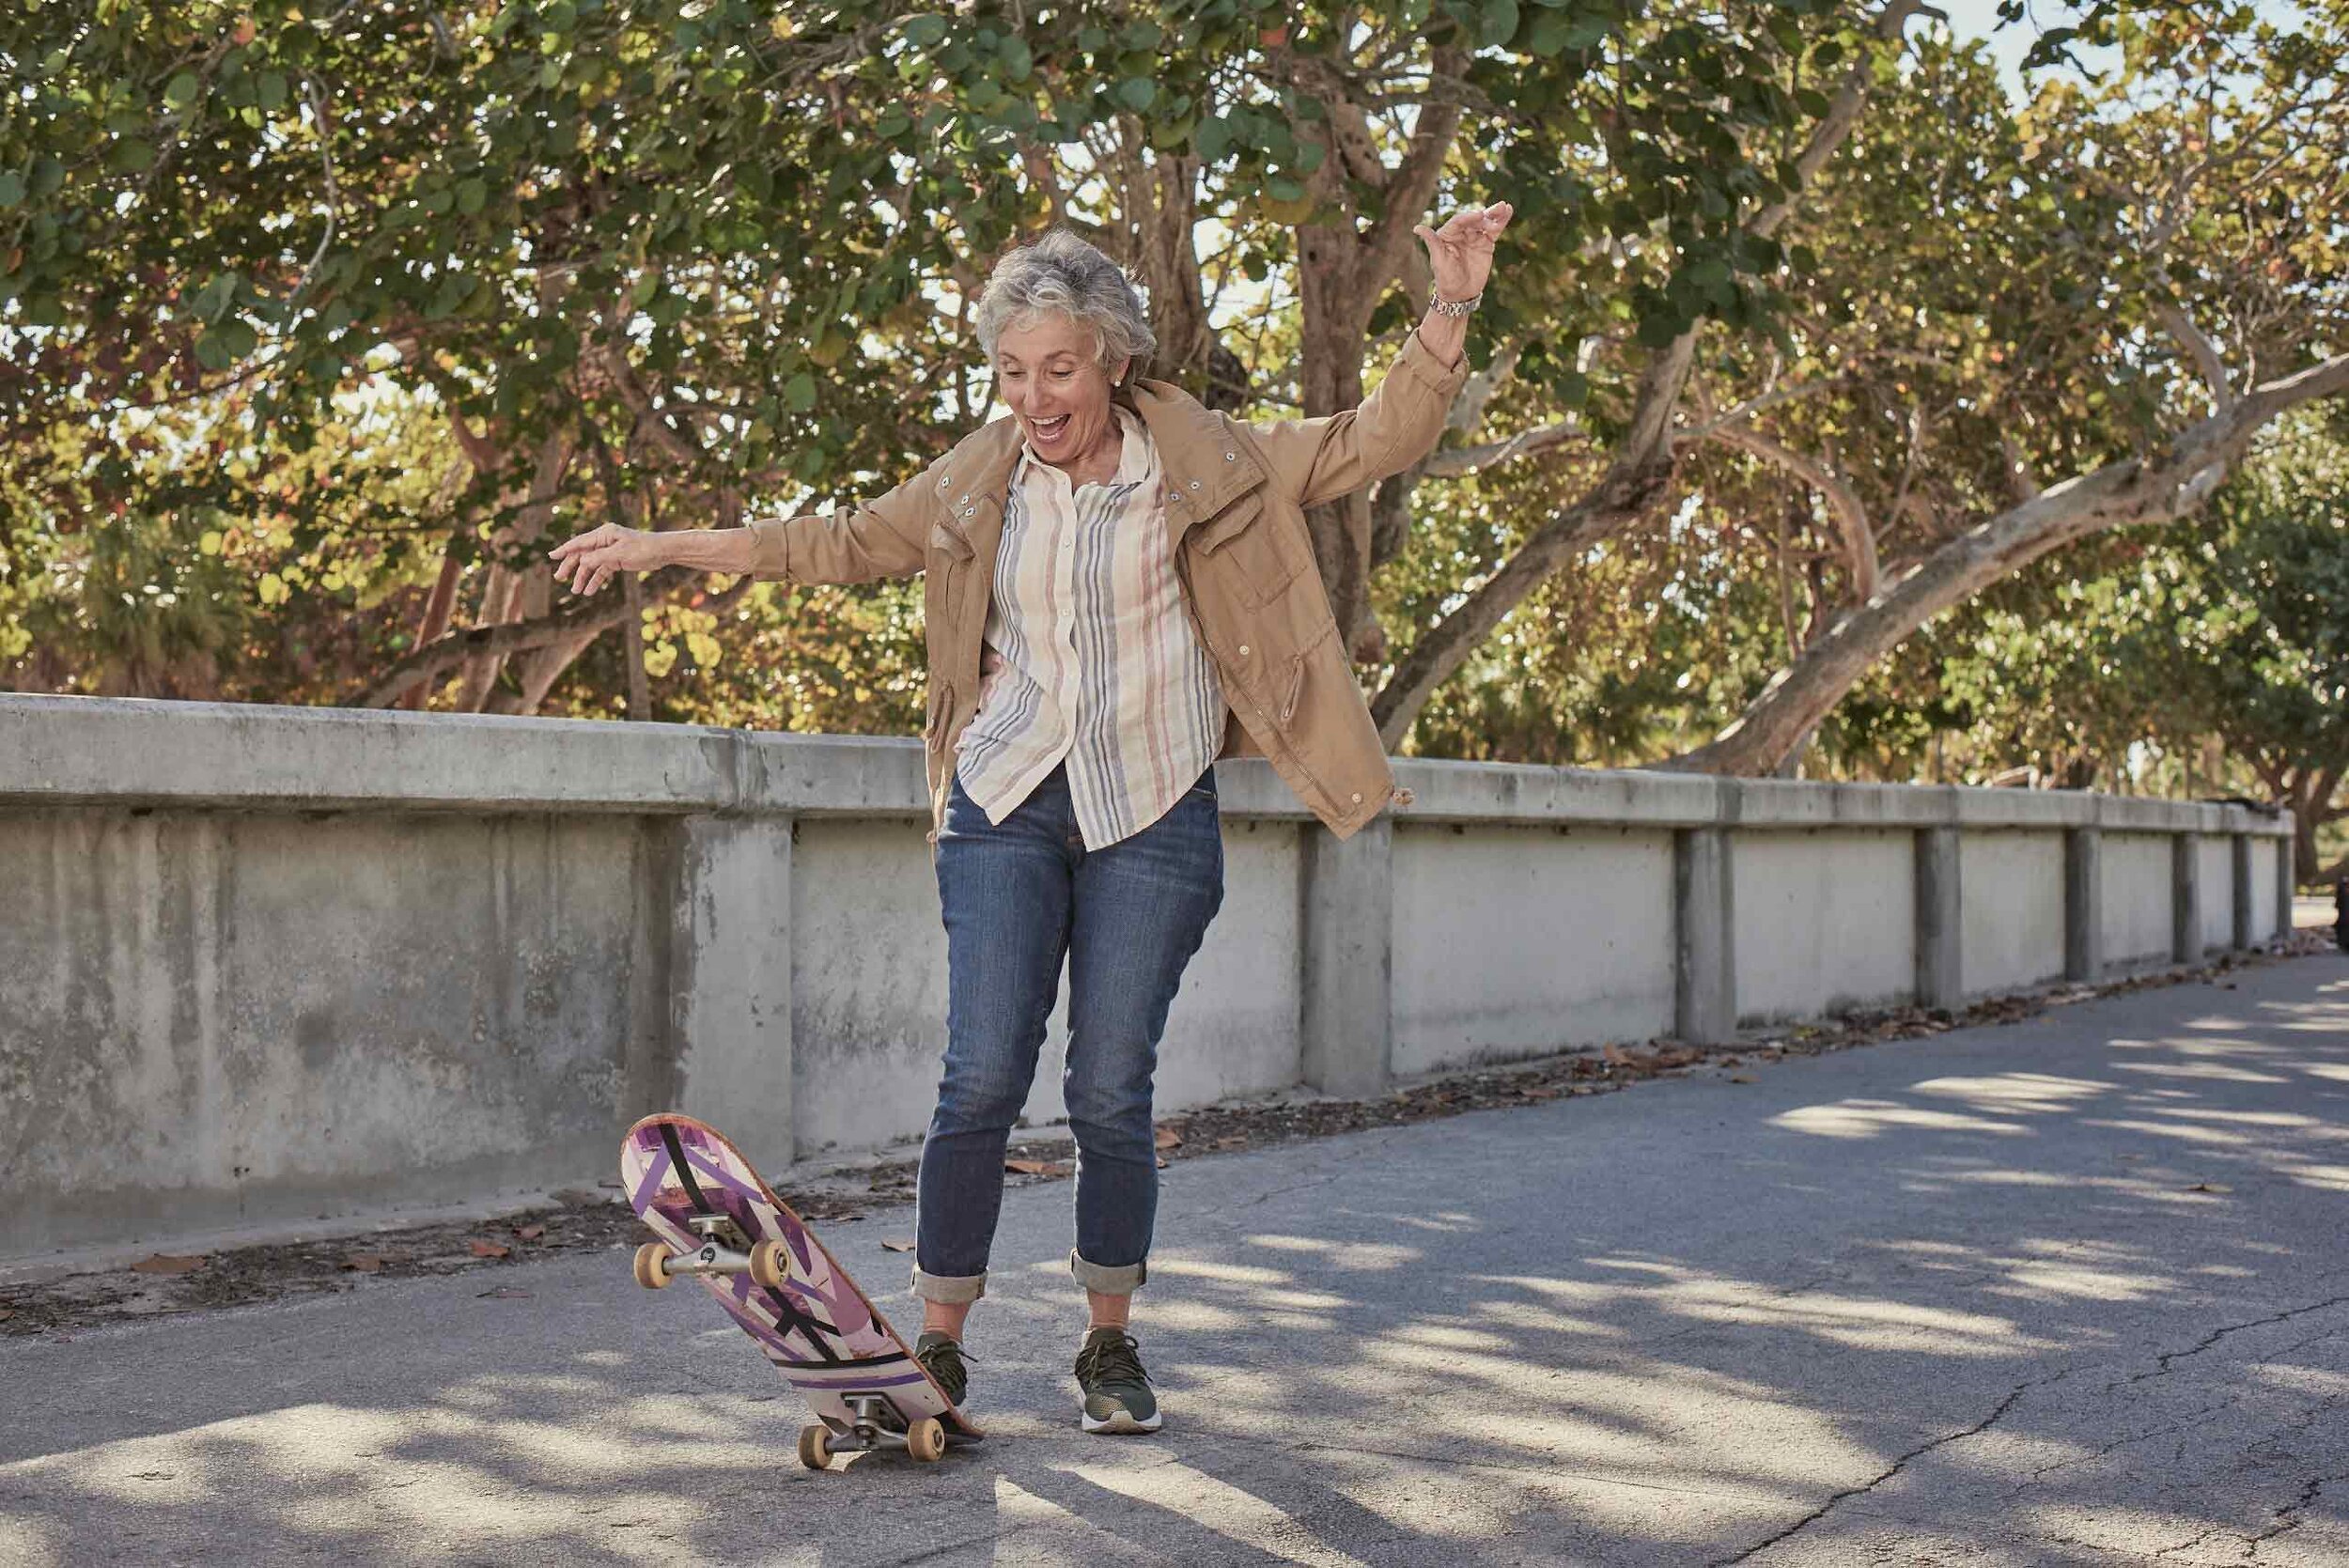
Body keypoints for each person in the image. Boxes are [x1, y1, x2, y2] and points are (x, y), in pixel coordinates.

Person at [551, 204, 1512, 1433]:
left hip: (1153, 805)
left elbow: (1376, 438)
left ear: (1112, 358)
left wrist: (1450, 301)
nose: (1033, 396)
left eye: (1058, 368)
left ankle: (1108, 1344)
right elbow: (836, 544)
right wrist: (663, 545)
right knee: (982, 1073)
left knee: (1110, 1085)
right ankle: (936, 1345)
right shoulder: (980, 477)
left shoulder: (1210, 458)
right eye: (1012, 371)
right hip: (1004, 796)